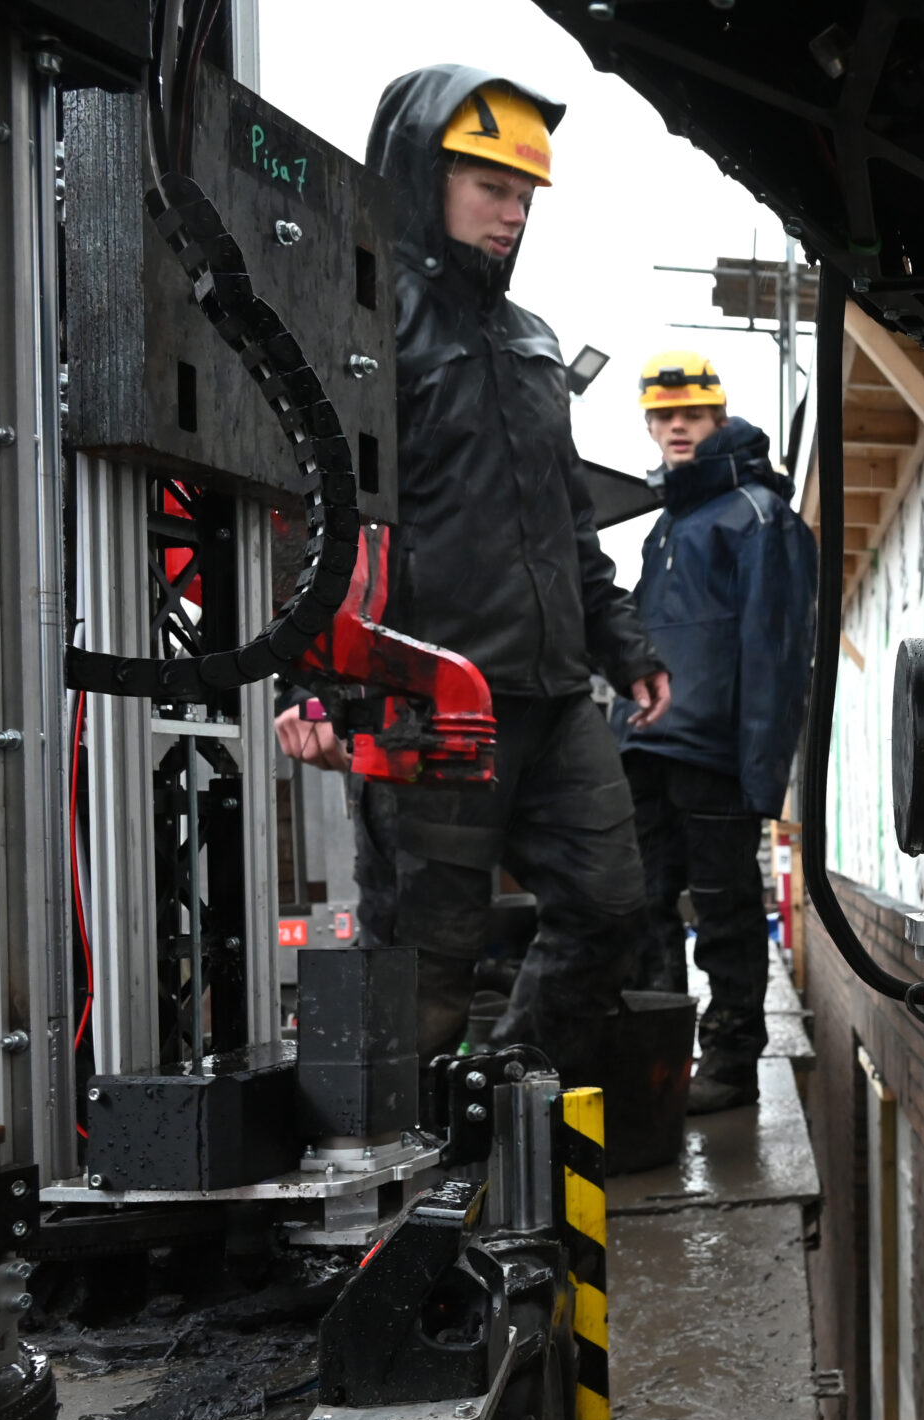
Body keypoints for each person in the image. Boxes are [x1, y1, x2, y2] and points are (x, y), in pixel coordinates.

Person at [276, 68, 669, 1083]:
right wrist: (306, 676)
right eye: (491, 185)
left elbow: (569, 518)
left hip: (550, 699)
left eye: (527, 194)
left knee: (612, 908)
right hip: (427, 707)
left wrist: (620, 639)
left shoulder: (531, 340)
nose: (514, 212)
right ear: (422, 171)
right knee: (423, 966)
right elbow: (305, 506)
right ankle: (400, 1200)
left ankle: (496, 1108)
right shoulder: (361, 323)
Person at [616, 352, 817, 1113]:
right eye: (663, 417)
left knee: (727, 907)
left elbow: (776, 656)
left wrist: (762, 775)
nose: (675, 428)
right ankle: (660, 1056)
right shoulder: (666, 522)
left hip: (716, 754)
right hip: (648, 743)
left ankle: (731, 1059)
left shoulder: (761, 516)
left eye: (691, 416)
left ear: (719, 419)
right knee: (642, 905)